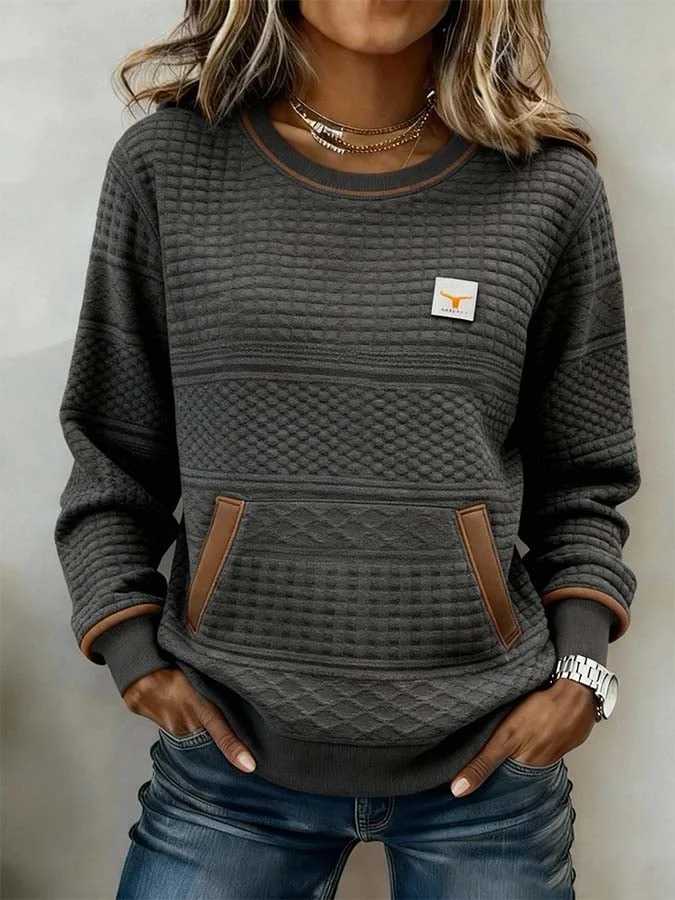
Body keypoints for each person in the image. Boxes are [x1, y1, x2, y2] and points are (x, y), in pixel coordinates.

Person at [54, 0, 641, 897]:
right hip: (228, 766)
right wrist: (132, 653)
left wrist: (579, 675)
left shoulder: (545, 186)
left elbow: (584, 478)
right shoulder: (169, 165)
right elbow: (110, 455)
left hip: (489, 764)